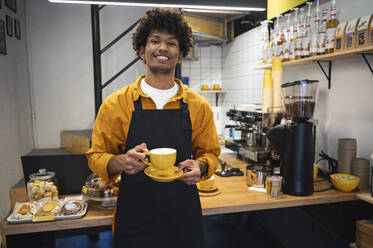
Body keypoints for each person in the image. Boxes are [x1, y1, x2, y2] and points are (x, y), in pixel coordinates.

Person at [86, 8, 220, 248]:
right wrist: (120, 161)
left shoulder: (198, 106)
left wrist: (200, 166)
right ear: (141, 50)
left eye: (171, 43)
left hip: (183, 217)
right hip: (135, 217)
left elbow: (210, 154)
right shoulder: (116, 104)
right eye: (154, 41)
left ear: (180, 55)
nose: (163, 48)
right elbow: (96, 156)